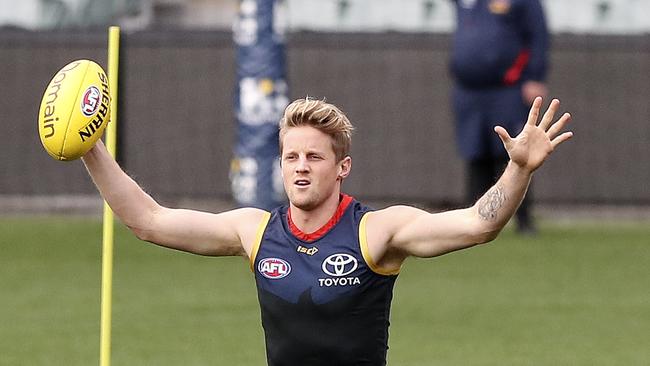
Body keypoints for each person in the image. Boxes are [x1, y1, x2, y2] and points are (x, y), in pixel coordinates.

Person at [81, 96, 571, 365]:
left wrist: (519, 170)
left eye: (314, 156)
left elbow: (476, 225)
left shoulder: (377, 232)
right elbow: (148, 220)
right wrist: (90, 148)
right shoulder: (254, 231)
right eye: (291, 156)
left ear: (342, 167)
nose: (300, 167)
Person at [449, 0, 550, 234]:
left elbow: (537, 34)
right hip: (468, 90)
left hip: (508, 88)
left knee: (513, 153)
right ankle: (475, 219)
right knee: (475, 153)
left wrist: (535, 75)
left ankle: (523, 220)